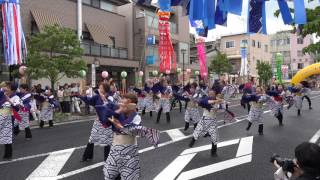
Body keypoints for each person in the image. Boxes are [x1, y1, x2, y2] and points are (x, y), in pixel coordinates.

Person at [100, 93, 159, 180]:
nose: (120, 102)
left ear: (130, 103)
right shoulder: (118, 113)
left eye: (123, 100)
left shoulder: (136, 117)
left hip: (129, 150)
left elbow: (134, 129)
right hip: (115, 149)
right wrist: (118, 111)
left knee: (129, 176)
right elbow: (105, 122)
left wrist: (120, 126)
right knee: (109, 174)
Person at [80, 82, 114, 162]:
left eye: (101, 87)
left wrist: (104, 98)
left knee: (107, 140)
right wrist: (82, 95)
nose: (99, 88)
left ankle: (107, 159)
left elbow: (109, 105)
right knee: (92, 139)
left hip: (106, 122)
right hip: (98, 121)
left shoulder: (110, 97)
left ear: (105, 89)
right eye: (99, 87)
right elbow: (89, 101)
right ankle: (87, 156)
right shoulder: (97, 97)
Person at [189, 89, 223, 156]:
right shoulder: (205, 99)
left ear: (215, 94)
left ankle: (213, 152)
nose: (211, 95)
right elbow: (204, 102)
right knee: (197, 131)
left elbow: (220, 109)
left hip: (213, 120)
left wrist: (217, 109)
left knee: (214, 136)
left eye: (212, 94)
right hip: (205, 119)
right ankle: (192, 141)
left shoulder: (218, 100)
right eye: (209, 94)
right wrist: (216, 101)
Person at [0, 82, 21, 159]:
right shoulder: (2, 95)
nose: (6, 89)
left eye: (8, 88)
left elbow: (17, 108)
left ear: (12, 90)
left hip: (7, 120)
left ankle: (8, 155)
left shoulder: (16, 98)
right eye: (5, 87)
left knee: (7, 138)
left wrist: (9, 101)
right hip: (1, 117)